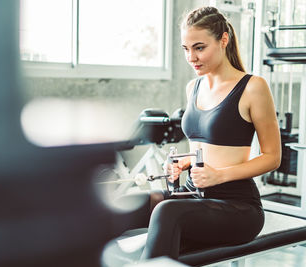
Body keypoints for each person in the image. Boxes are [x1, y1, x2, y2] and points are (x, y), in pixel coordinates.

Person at [120, 6, 281, 260]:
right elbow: (208, 148)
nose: (191, 57)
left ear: (223, 40)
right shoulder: (192, 87)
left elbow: (272, 157)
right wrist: (185, 161)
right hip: (193, 196)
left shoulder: (253, 87)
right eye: (186, 49)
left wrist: (218, 175)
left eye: (199, 47)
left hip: (237, 206)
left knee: (166, 212)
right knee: (127, 204)